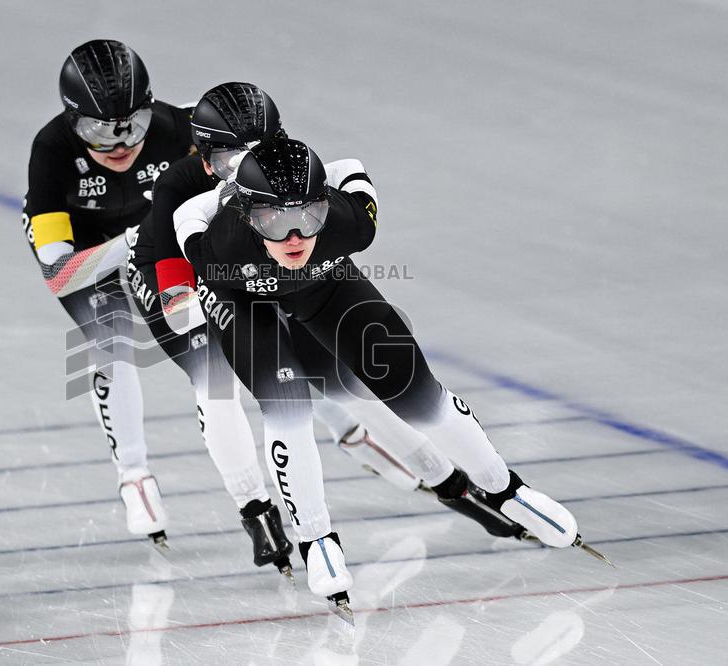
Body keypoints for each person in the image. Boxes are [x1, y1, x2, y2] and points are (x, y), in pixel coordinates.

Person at [174, 138, 582, 622]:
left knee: (416, 391)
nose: (295, 237)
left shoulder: (351, 224)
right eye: (274, 223)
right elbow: (185, 215)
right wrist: (222, 199)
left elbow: (347, 166)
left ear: (326, 206)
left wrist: (501, 486)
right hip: (243, 299)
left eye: (309, 217)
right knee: (288, 408)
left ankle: (505, 488)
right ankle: (315, 538)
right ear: (247, 216)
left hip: (324, 285)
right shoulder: (220, 246)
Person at [129, 82, 434, 575]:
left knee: (312, 343)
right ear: (205, 160)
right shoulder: (179, 188)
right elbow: (179, 307)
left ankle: (353, 429)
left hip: (248, 257)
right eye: (229, 161)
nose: (244, 169)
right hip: (184, 272)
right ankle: (255, 508)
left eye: (259, 151)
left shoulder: (279, 169)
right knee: (217, 381)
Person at [22, 39, 193, 547]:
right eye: (99, 131)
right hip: (82, 248)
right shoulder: (51, 149)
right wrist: (132, 242)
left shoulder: (177, 128)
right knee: (111, 340)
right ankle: (134, 475)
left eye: (133, 124)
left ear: (151, 107)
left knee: (233, 316)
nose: (120, 144)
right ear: (72, 121)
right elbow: (60, 274)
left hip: (145, 231)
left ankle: (340, 423)